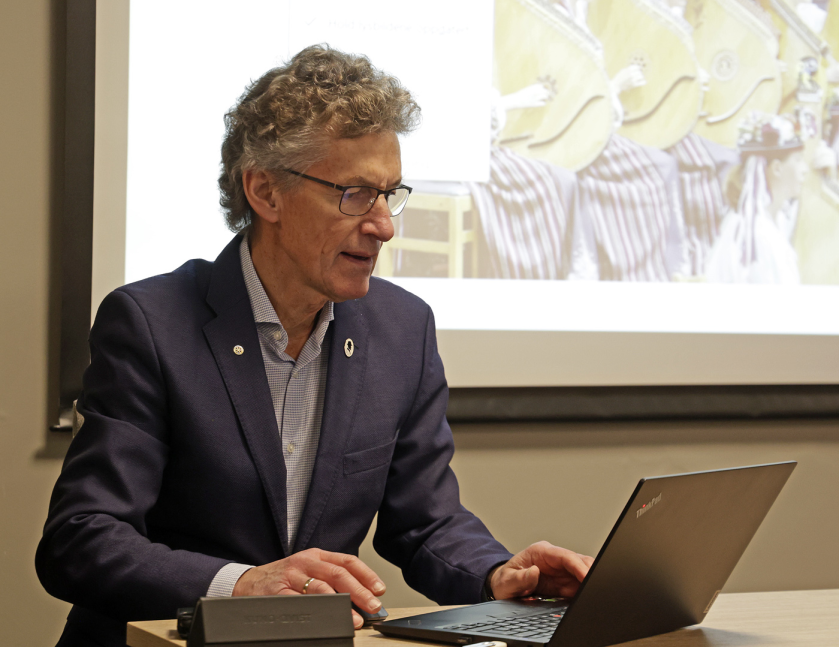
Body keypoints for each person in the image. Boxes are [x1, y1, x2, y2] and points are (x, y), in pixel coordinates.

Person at [36, 45, 593, 647]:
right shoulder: (151, 323)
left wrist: (496, 573)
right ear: (265, 192)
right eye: (355, 194)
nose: (384, 225)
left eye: (390, 194)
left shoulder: (402, 328)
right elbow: (81, 538)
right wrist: (239, 584)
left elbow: (426, 521)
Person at [705, 112, 809, 283]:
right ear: (777, 168)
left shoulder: (774, 220)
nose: (805, 169)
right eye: (798, 160)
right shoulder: (753, 231)